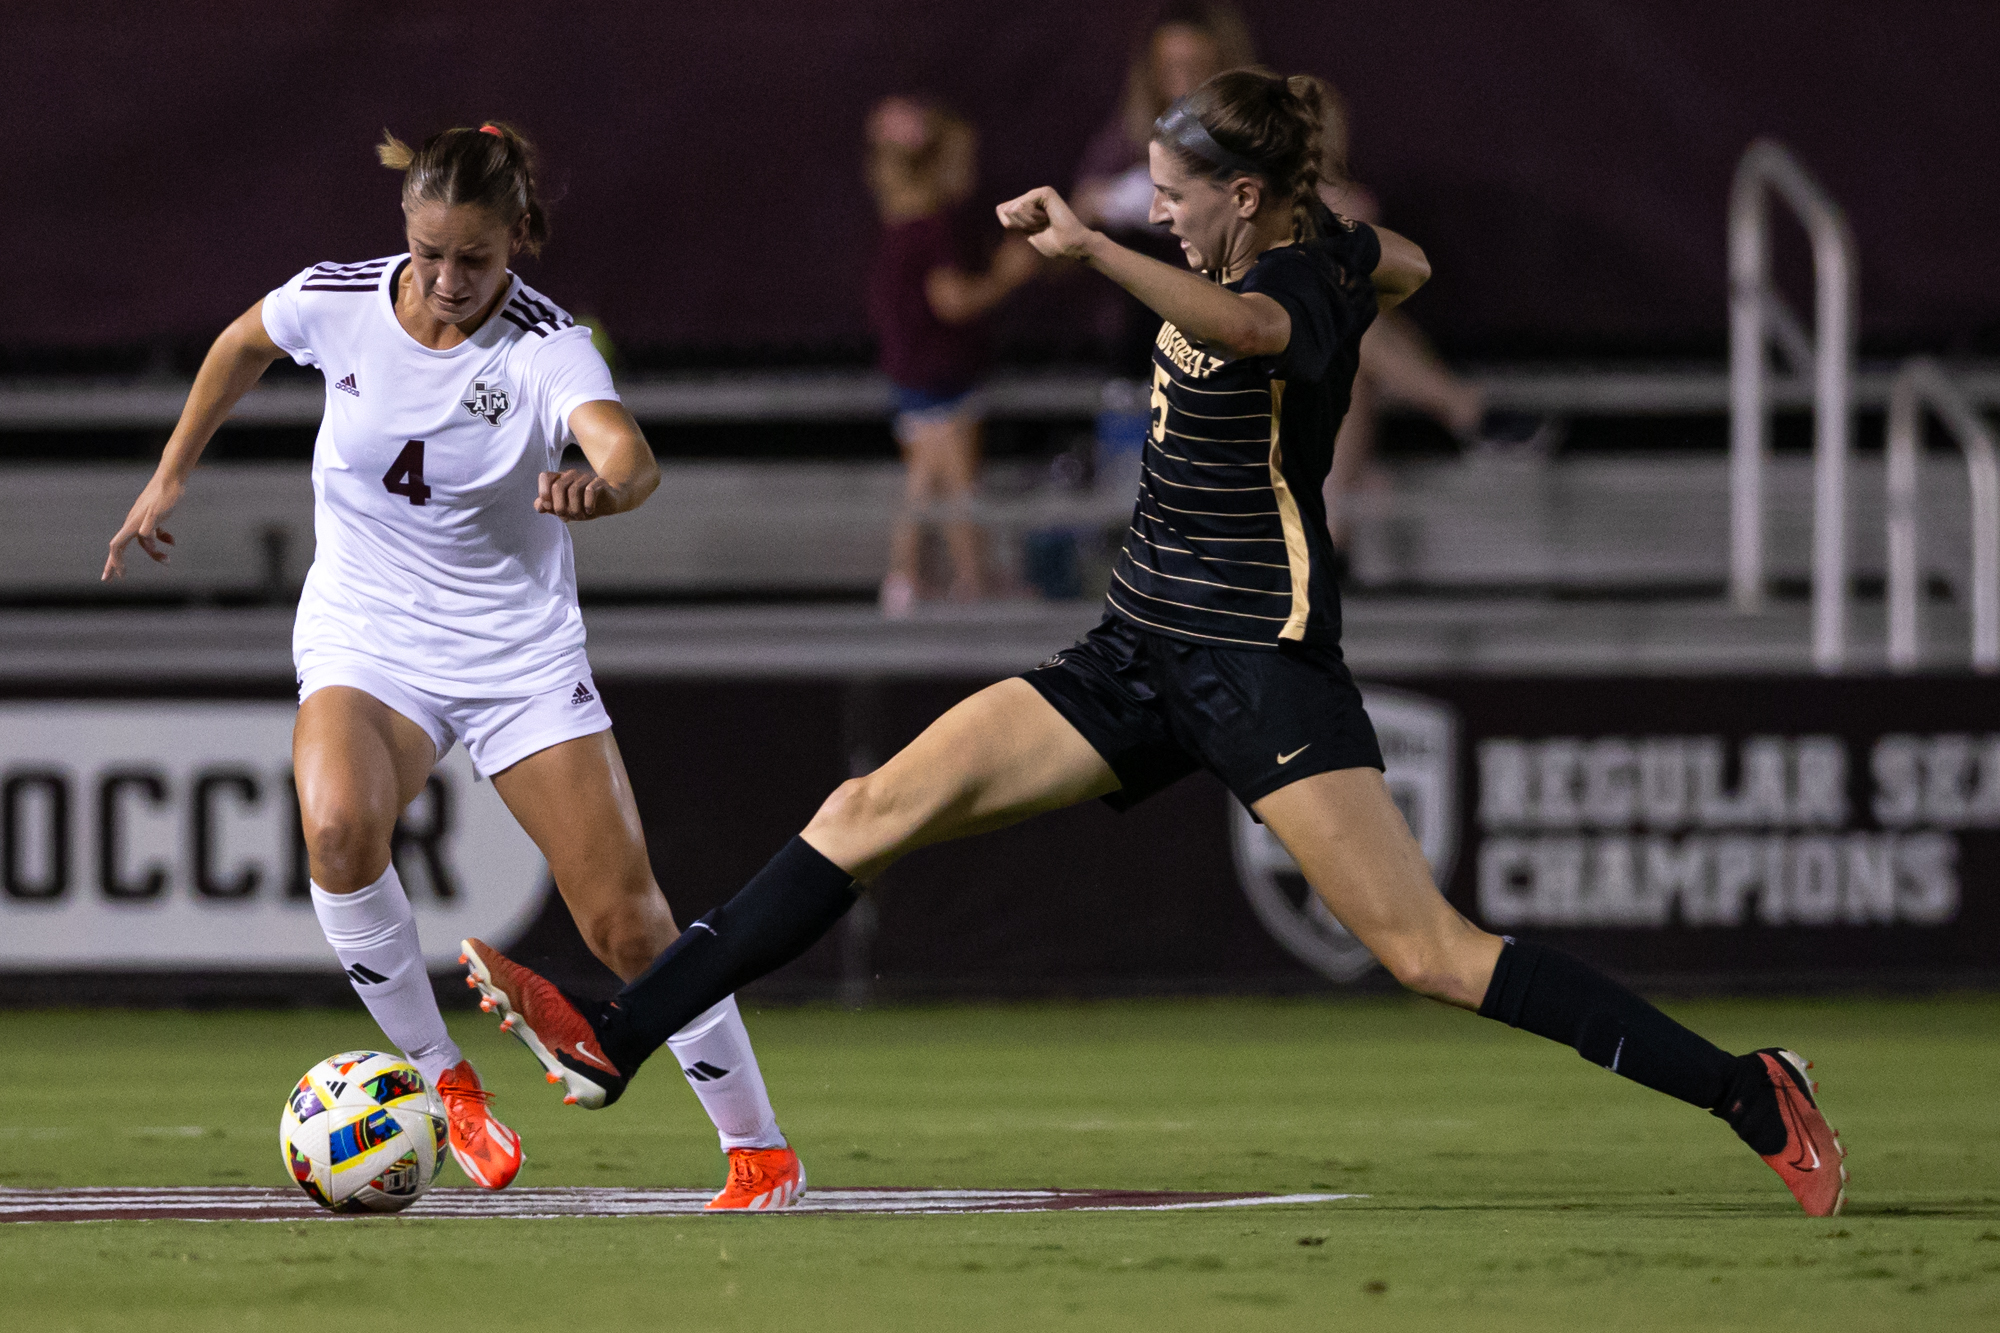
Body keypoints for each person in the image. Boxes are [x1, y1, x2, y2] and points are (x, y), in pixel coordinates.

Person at [461, 75, 1848, 1218]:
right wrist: (1368, 266)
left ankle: (1749, 1089)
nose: (1161, 215)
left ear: (1244, 195)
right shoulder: (1321, 262)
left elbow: (1258, 320)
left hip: (1261, 668)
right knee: (869, 806)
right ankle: (617, 1036)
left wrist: (1102, 249)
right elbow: (1406, 264)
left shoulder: (1286, 286)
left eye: (1178, 197)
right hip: (1133, 651)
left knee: (1432, 953)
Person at [102, 121, 805, 1211]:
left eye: (471, 258)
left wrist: (599, 487)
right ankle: (446, 1083)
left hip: (515, 653)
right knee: (336, 831)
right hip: (367, 633)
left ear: (516, 239)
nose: (444, 280)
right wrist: (169, 474)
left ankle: (759, 1149)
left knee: (626, 926)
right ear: (406, 231)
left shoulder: (544, 345)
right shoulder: (337, 299)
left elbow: (629, 453)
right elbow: (242, 343)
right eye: (427, 253)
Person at [1306, 77, 1553, 561]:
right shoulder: (1233, 195)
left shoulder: (1345, 202)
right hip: (1241, 344)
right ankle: (1465, 408)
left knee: (1349, 347)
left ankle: (1329, 540)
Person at [865, 96, 1040, 616]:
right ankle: (969, 581)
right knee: (957, 484)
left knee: (925, 482)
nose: (971, 173)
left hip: (916, 371)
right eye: (962, 161)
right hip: (939, 374)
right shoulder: (931, 227)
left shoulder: (901, 222)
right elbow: (952, 300)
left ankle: (908, 581)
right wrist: (1007, 278)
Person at [1072, 1, 1255, 375]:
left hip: (1233, 305)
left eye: (1196, 67)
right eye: (1170, 68)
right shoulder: (1130, 134)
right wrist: (1100, 204)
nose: (1183, 80)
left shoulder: (1252, 135)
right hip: (1145, 317)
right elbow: (1082, 208)